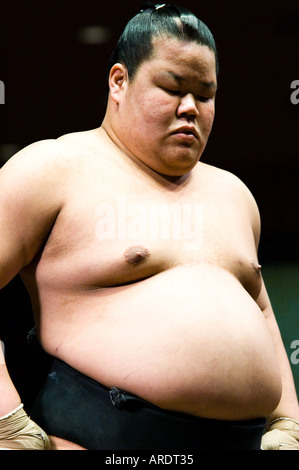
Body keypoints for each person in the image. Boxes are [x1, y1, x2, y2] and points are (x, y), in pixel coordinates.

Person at [0, 3, 299, 451]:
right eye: (172, 87)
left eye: (206, 93)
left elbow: (262, 314)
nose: (190, 109)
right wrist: (7, 420)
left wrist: (288, 422)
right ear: (119, 82)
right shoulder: (50, 170)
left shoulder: (234, 194)